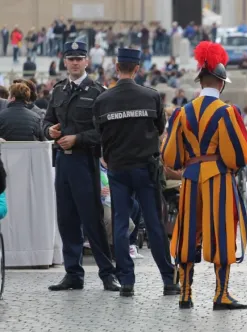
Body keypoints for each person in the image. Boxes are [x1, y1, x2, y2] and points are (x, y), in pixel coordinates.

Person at [162, 41, 247, 310]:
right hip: (218, 178)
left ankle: (186, 294)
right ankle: (221, 294)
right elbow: (239, 155)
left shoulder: (181, 113)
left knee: (188, 232)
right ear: (222, 84)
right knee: (222, 232)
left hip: (190, 178)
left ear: (200, 81)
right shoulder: (227, 112)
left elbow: (170, 156)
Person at [93, 48, 178, 297]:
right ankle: (168, 280)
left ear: (116, 67)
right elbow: (160, 127)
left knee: (120, 224)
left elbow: (99, 134)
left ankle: (127, 281)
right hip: (145, 168)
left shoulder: (103, 100)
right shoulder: (150, 97)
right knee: (154, 224)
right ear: (137, 68)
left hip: (117, 168)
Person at [43, 41, 119, 292]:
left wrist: (78, 138)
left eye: (79, 58)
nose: (75, 62)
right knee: (66, 219)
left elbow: (105, 132)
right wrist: (49, 130)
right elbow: (45, 122)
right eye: (70, 58)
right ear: (64, 61)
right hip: (62, 161)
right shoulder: (58, 91)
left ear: (87, 61)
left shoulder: (98, 92)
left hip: (85, 161)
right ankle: (73, 273)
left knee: (92, 218)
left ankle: (107, 273)